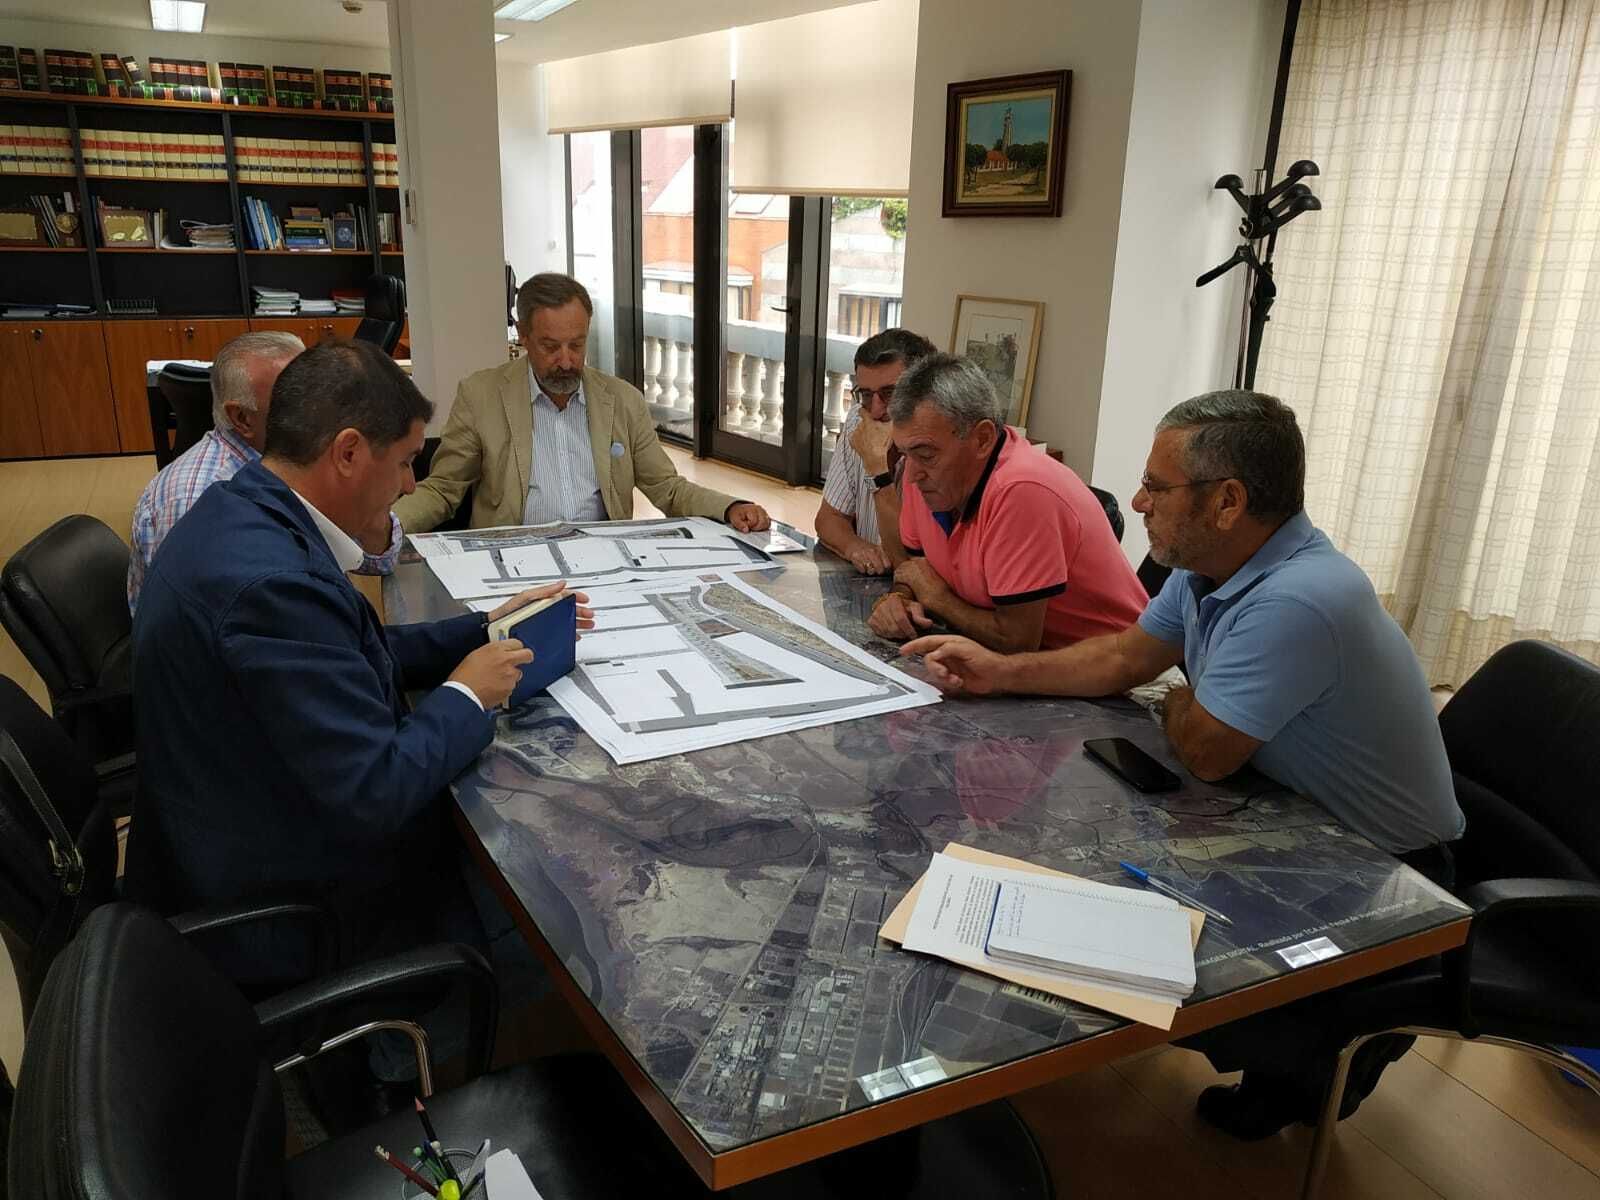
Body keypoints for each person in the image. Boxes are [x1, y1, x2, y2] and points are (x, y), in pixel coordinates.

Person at [904, 388, 1465, 1137]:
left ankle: (1319, 1056)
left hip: (1383, 876)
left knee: (1139, 961)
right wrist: (993, 672)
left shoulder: (1299, 598)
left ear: (1228, 501)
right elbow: (1126, 657)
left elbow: (1204, 750)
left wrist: (1179, 700)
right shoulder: (1209, 567)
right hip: (1287, 814)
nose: (1135, 502)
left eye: (1157, 488)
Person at [126, 338, 591, 994]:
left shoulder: (246, 513)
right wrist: (466, 694)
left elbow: (346, 652)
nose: (409, 485)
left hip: (246, 829)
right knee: (571, 928)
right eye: (404, 462)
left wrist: (484, 628)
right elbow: (377, 791)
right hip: (298, 910)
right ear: (347, 453)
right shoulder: (268, 585)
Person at [394, 272, 770, 534]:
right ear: (523, 336)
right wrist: (386, 526)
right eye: (550, 346)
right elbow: (443, 489)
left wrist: (730, 507)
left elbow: (668, 489)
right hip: (516, 560)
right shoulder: (481, 395)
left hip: (604, 560)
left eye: (577, 344)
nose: (567, 360)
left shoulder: (622, 401)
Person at [866, 353, 1147, 653]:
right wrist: (899, 599)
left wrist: (937, 599)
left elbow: (1016, 640)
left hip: (1124, 675)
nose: (911, 475)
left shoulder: (1022, 490)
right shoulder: (926, 476)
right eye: (905, 453)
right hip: (1038, 666)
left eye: (925, 454)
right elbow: (915, 571)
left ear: (983, 439)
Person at [128, 331, 404, 613]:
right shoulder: (194, 497)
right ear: (243, 418)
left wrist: (367, 493)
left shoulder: (304, 457)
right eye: (296, 400)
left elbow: (379, 561)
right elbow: (209, 629)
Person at [815, 327, 936, 574]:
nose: (877, 410)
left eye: (890, 393)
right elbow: (828, 520)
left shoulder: (938, 450)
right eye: (867, 395)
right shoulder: (858, 422)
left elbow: (907, 563)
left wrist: (877, 467)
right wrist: (855, 547)